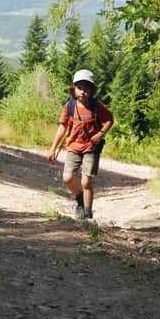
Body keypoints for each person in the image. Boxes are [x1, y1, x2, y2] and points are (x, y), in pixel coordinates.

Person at [46, 69, 114, 219]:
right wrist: (53, 148)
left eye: (87, 88)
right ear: (74, 89)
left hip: (91, 148)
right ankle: (80, 199)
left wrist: (101, 133)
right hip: (73, 147)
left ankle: (88, 215)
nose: (83, 91)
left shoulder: (97, 107)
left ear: (92, 90)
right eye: (80, 88)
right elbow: (62, 127)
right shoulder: (70, 106)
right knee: (67, 178)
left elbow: (109, 119)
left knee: (85, 181)